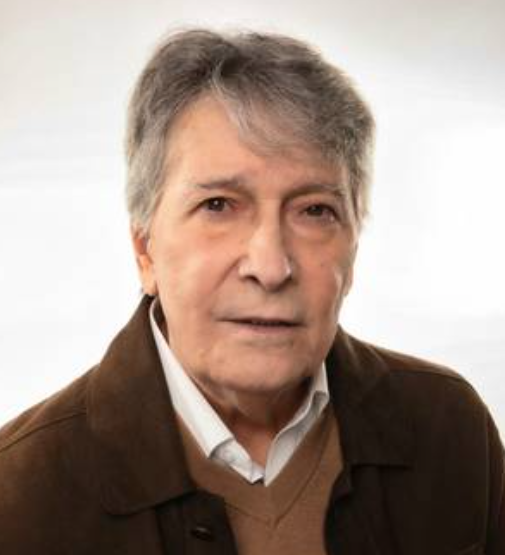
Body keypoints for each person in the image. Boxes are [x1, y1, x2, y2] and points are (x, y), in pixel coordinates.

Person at [0, 29, 503, 555]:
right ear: (145, 250)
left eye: (315, 210)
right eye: (218, 205)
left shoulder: (450, 431)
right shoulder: (20, 497)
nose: (270, 267)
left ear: (353, 250)